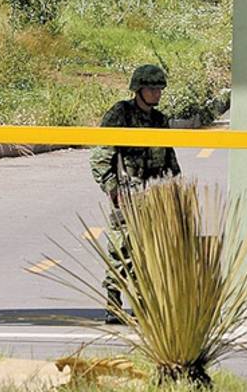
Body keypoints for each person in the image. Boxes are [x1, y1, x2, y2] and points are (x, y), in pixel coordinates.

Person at [89, 64, 181, 323]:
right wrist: (113, 190)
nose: (157, 93)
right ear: (138, 90)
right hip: (128, 193)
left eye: (159, 89)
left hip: (155, 193)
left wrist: (176, 187)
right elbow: (100, 156)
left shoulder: (160, 121)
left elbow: (169, 156)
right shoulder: (121, 114)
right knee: (122, 251)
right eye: (152, 88)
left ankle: (145, 304)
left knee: (151, 251)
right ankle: (113, 303)